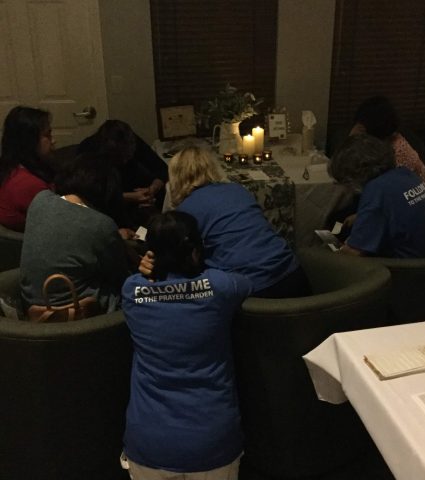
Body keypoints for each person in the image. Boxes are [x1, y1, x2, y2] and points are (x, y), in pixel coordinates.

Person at [121, 211, 252, 479]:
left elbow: (148, 284)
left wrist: (148, 268)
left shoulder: (131, 290)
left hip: (149, 442)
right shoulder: (220, 287)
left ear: (151, 253)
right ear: (195, 250)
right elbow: (246, 282)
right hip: (212, 442)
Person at [142, 146, 310, 298]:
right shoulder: (238, 190)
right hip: (293, 274)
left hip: (253, 292)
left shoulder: (184, 213)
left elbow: (180, 266)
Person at [20, 152, 131, 314]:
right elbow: (119, 275)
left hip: (31, 305)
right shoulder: (101, 224)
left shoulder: (40, 200)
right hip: (81, 310)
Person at [328, 134, 425, 258]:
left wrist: (325, 253)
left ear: (354, 173)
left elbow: (353, 254)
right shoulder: (406, 174)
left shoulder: (376, 189)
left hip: (409, 268)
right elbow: (395, 210)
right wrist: (362, 216)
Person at [77, 120, 168, 227]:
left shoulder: (130, 141)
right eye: (121, 157)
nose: (125, 160)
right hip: (108, 202)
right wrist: (128, 197)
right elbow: (90, 194)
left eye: (128, 155)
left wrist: (153, 188)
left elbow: (162, 168)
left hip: (134, 191)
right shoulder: (87, 151)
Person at [350, 96, 425, 188]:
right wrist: (351, 140)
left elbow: (378, 187)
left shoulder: (397, 154)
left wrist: (352, 140)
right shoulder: (382, 142)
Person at [0, 106, 55, 231]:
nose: (54, 141)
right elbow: (59, 221)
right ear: (28, 141)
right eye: (48, 135)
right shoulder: (27, 184)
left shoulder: (10, 167)